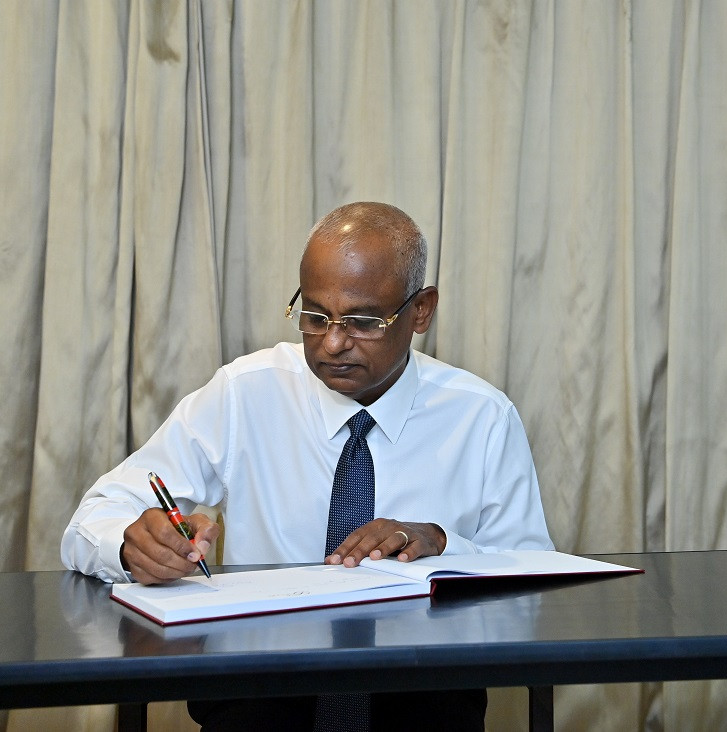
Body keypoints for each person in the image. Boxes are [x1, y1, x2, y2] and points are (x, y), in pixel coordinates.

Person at [61, 201, 554, 730]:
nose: (333, 343)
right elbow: (94, 516)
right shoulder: (245, 392)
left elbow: (534, 590)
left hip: (420, 698)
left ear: (421, 311)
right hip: (260, 696)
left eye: (363, 321)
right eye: (315, 316)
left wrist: (441, 542)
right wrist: (133, 544)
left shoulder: (482, 416)